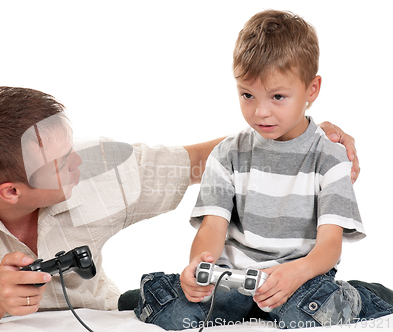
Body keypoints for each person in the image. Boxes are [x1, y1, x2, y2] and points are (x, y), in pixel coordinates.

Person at [0, 85, 358, 332]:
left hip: (102, 308)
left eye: (70, 147)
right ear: (11, 191)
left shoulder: (99, 165)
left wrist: (303, 137)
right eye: (60, 164)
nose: (79, 163)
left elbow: (203, 160)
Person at [134, 10, 393, 330]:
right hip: (234, 281)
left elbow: (329, 244)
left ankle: (364, 295)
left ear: (312, 90)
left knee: (306, 315)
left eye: (278, 96)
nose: (260, 111)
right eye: (247, 95)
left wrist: (296, 272)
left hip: (299, 280)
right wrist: (199, 265)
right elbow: (213, 228)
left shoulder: (329, 156)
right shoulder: (228, 153)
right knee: (174, 313)